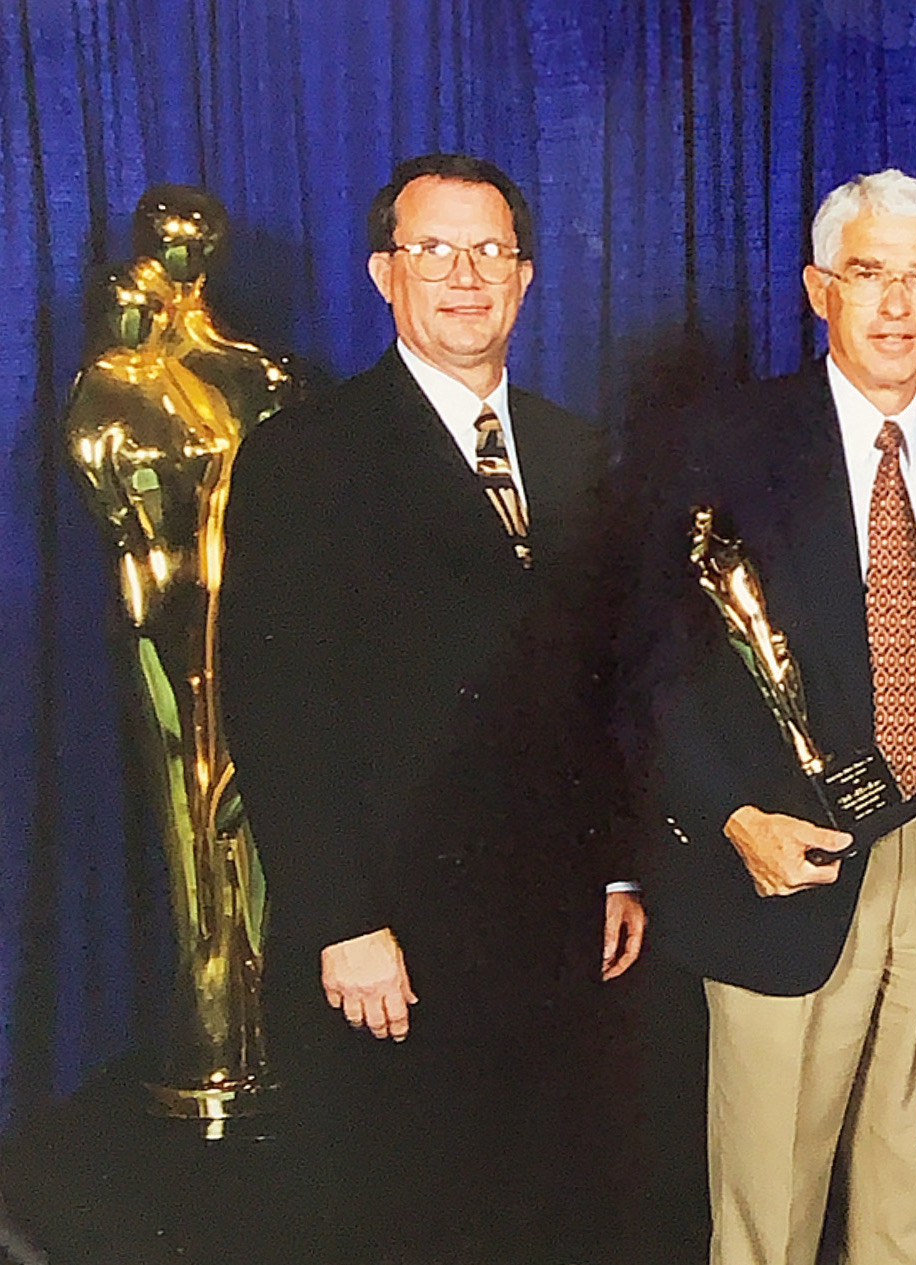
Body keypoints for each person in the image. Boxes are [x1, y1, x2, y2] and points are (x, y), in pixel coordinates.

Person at [220, 153, 642, 1260]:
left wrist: (613, 865)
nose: (466, 276)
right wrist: (340, 918)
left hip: (551, 926)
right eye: (434, 250)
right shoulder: (305, 457)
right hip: (391, 934)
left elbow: (602, 683)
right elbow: (276, 709)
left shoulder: (576, 449)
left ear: (527, 276)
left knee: (538, 1207)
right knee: (399, 1214)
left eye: (490, 251)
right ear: (383, 273)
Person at [635, 168, 916, 1264]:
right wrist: (731, 816)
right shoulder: (721, 439)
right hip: (786, 856)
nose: (897, 304)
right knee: (769, 1187)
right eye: (869, 273)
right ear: (820, 287)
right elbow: (649, 663)